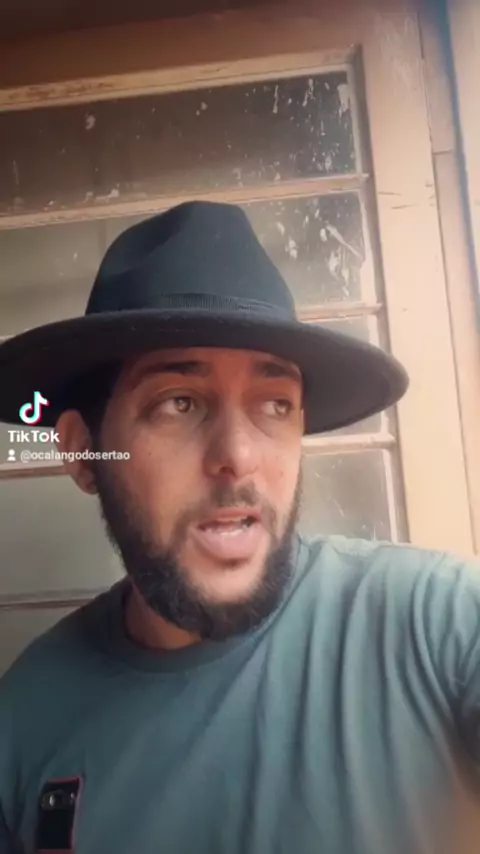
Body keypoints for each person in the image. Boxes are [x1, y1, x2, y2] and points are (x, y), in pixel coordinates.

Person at [0, 201, 478, 854]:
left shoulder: (439, 623)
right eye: (178, 403)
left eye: (275, 405)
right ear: (85, 452)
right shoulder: (26, 718)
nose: (240, 455)